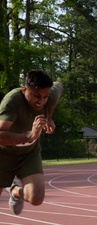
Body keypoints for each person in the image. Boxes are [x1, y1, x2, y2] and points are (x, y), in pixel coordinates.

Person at [0, 70, 63, 215]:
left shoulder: (50, 98)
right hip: (3, 153)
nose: (41, 101)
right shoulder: (12, 101)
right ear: (24, 90)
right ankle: (12, 187)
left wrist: (49, 116)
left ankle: (14, 191)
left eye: (45, 97)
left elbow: (59, 85)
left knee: (36, 198)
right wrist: (29, 135)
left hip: (29, 153)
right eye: (36, 96)